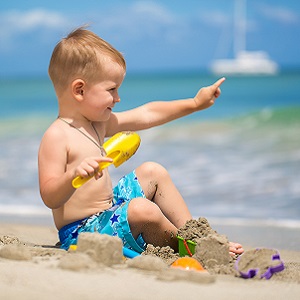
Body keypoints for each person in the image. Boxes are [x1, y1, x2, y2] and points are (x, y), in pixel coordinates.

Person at [38, 27, 244, 255]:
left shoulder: (98, 123)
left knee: (152, 171)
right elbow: (49, 196)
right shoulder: (57, 135)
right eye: (111, 89)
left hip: (109, 213)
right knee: (142, 209)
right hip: (82, 232)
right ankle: (193, 249)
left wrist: (194, 103)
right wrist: (72, 176)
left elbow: (146, 114)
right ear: (80, 90)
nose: (118, 98)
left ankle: (197, 236)